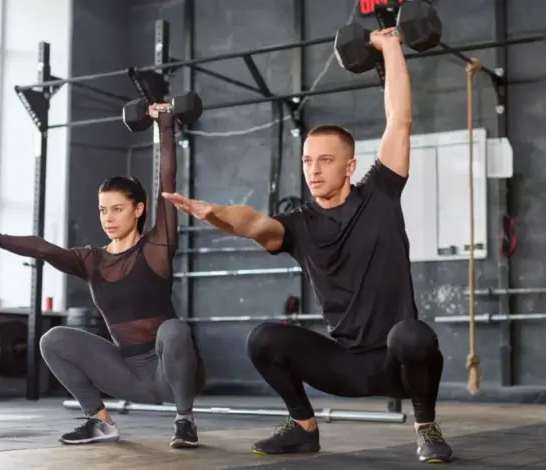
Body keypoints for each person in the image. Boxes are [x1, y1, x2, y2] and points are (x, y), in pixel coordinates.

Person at [162, 28, 452, 464]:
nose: (313, 171)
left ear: (350, 165)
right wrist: (215, 213)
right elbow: (254, 223)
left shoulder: (381, 193)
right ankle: (303, 428)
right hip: (344, 366)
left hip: (400, 363)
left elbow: (400, 119)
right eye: (307, 161)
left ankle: (426, 427)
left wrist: (391, 45)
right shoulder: (297, 225)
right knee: (263, 339)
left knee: (412, 335)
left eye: (326, 160)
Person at [0, 103, 205, 449]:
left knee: (174, 328)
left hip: (171, 374)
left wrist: (165, 125)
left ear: (139, 210)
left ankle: (185, 421)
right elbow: (45, 249)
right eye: (103, 209)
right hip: (127, 374)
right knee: (53, 339)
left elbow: (168, 181)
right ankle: (100, 421)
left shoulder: (157, 247)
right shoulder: (91, 260)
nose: (108, 217)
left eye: (118, 208)